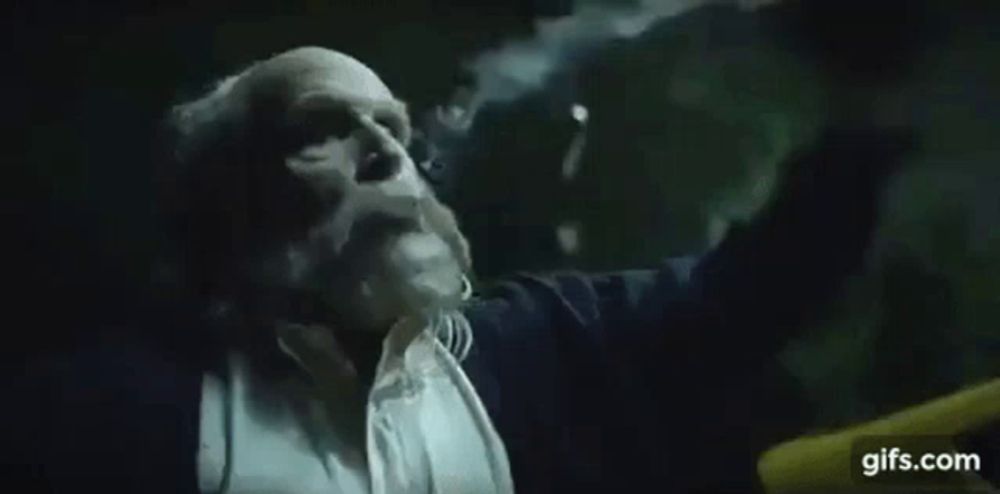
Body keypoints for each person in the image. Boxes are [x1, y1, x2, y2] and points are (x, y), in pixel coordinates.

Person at [2, 46, 914, 493]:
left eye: (394, 129)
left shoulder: (548, 345)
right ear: (229, 195)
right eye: (324, 128)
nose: (386, 150)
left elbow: (759, 288)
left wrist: (871, 108)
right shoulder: (86, 418)